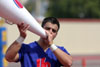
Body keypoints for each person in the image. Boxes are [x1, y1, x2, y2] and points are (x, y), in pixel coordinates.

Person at [5, 17, 72, 67]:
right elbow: (8, 57)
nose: (50, 32)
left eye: (54, 31)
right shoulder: (27, 48)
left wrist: (51, 45)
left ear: (56, 34)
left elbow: (69, 63)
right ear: (41, 29)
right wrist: (21, 37)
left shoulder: (59, 50)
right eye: (47, 28)